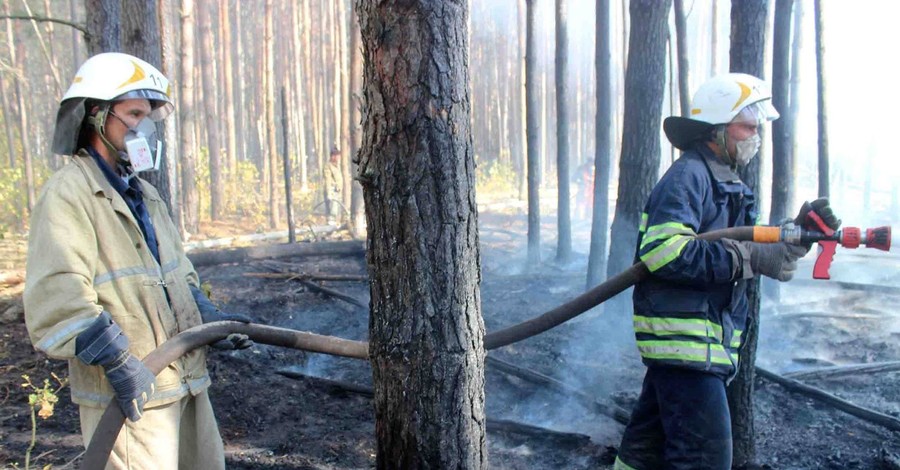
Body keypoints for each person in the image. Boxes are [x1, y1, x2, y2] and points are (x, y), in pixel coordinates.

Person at [24, 52, 252, 470]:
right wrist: (119, 363)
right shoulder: (69, 194)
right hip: (128, 399)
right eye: (133, 114)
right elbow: (58, 297)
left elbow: (176, 275)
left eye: (148, 117)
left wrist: (208, 320)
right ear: (96, 115)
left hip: (184, 384)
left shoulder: (145, 195)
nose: (143, 128)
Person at [613, 73, 840, 470]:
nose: (756, 137)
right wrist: (746, 258)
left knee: (644, 453)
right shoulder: (688, 178)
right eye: (748, 127)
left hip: (692, 343)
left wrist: (792, 236)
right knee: (705, 460)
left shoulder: (723, 181)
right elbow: (664, 253)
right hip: (686, 341)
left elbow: (736, 243)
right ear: (717, 130)